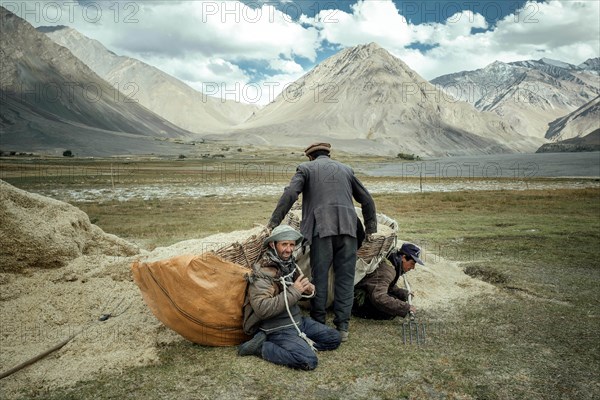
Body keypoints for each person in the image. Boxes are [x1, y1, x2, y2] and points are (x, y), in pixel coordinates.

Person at [267, 142, 377, 342]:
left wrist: (274, 222)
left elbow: (290, 193)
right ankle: (343, 327)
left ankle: (318, 323)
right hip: (348, 228)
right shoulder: (346, 170)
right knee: (345, 279)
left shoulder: (306, 168)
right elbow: (367, 200)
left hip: (322, 228)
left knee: (320, 276)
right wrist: (371, 230)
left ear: (310, 157)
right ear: (328, 154)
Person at [238, 225, 342, 370]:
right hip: (277, 328)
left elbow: (297, 293)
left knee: (335, 338)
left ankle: (299, 344)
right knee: (307, 360)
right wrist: (295, 291)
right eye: (284, 244)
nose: (288, 249)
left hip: (297, 322)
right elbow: (262, 309)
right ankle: (261, 346)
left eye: (292, 244)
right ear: (272, 244)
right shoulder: (262, 273)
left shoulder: (289, 265)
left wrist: (308, 290)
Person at [352, 243, 424, 320]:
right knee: (389, 312)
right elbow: (379, 297)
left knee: (398, 300)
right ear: (403, 258)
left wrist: (403, 293)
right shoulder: (387, 271)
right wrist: (405, 307)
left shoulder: (392, 264)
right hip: (356, 299)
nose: (413, 267)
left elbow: (388, 285)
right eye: (412, 263)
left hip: (368, 291)